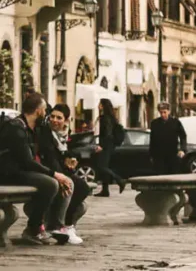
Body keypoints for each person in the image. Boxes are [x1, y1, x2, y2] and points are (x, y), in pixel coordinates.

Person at [0, 94, 71, 245]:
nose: (46, 114)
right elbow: (26, 161)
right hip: (8, 174)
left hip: (18, 172)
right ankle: (33, 229)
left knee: (56, 182)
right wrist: (54, 174)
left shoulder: (32, 128)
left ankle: (53, 225)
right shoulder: (16, 128)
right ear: (38, 111)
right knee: (50, 184)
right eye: (45, 110)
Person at [39, 105, 87, 244]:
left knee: (82, 199)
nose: (54, 120)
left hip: (58, 170)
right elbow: (50, 158)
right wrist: (61, 176)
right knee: (79, 186)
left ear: (66, 120)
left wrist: (70, 164)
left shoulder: (63, 135)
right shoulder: (46, 134)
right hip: (49, 171)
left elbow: (64, 157)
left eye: (59, 118)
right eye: (52, 116)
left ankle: (67, 225)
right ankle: (63, 226)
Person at [93, 97, 127, 196]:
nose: (98, 106)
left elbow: (107, 134)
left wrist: (101, 146)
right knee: (104, 167)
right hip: (109, 145)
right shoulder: (110, 117)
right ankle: (105, 190)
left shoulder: (105, 118)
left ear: (103, 106)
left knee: (101, 166)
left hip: (106, 146)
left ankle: (120, 180)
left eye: (100, 104)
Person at [149, 101, 189, 175]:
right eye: (161, 112)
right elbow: (152, 140)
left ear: (169, 111)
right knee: (160, 176)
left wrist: (182, 149)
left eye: (165, 112)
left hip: (172, 154)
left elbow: (183, 136)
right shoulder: (155, 123)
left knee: (172, 175)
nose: (163, 114)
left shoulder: (175, 122)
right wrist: (151, 155)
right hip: (159, 156)